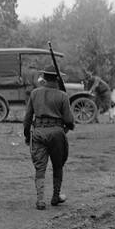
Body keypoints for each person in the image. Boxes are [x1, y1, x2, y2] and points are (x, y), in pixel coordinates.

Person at [23, 70, 74, 210]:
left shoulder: (34, 93)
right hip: (57, 133)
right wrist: (70, 126)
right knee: (58, 165)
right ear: (57, 79)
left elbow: (27, 118)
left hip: (38, 133)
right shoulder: (63, 96)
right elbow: (69, 120)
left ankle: (40, 200)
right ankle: (55, 196)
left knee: (40, 168)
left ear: (44, 78)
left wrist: (27, 135)